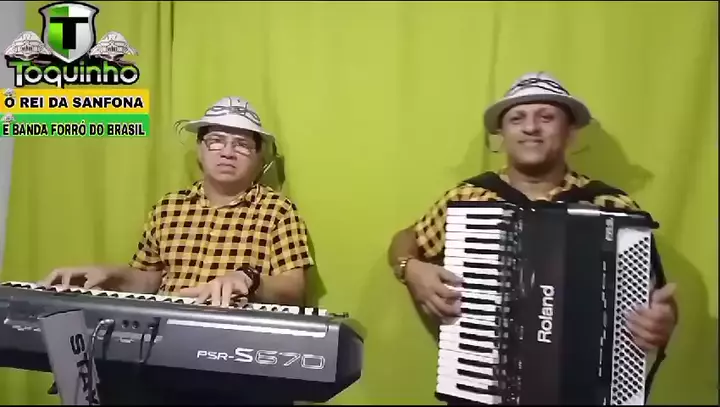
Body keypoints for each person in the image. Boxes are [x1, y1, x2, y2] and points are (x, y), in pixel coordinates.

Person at [387, 72, 678, 385]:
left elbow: (655, 297)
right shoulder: (468, 198)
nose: (530, 127)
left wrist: (663, 321)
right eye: (517, 118)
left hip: (581, 386)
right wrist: (410, 268)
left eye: (546, 117)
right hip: (483, 380)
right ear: (503, 134)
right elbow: (407, 238)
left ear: (570, 133)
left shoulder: (612, 206)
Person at [40, 96, 315, 308]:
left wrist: (247, 279)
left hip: (237, 334)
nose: (228, 152)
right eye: (216, 141)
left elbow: (294, 289)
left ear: (259, 157)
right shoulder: (168, 208)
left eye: (241, 144)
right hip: (163, 330)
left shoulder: (278, 211)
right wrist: (111, 276)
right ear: (200, 150)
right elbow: (149, 279)